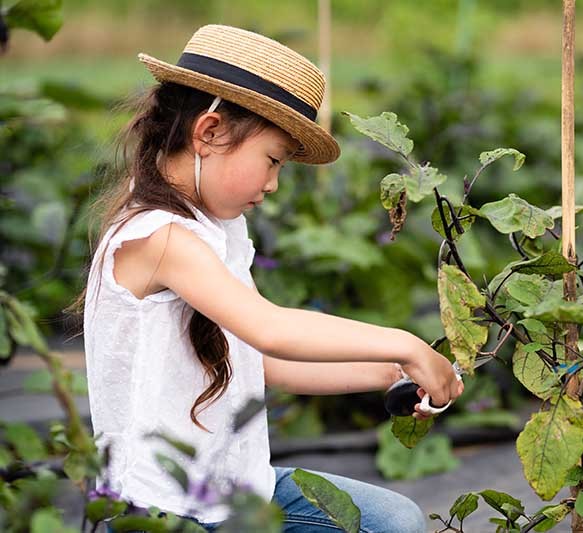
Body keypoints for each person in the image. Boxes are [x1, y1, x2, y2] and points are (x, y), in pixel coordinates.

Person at [71, 24, 464, 532]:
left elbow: (263, 360)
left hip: (236, 487)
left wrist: (390, 373)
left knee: (395, 520)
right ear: (209, 132)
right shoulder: (157, 237)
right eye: (272, 160)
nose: (274, 184)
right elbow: (269, 329)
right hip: (160, 507)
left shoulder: (217, 229)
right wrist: (406, 344)